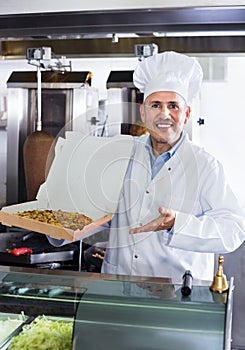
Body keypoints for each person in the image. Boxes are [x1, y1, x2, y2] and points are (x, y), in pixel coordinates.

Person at [48, 51, 245, 283]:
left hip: (174, 292)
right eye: (155, 105)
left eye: (173, 105)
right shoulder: (120, 154)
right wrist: (56, 223)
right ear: (143, 112)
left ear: (187, 114)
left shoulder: (205, 165)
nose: (164, 114)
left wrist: (177, 224)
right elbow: (99, 212)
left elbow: (233, 229)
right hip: (119, 284)